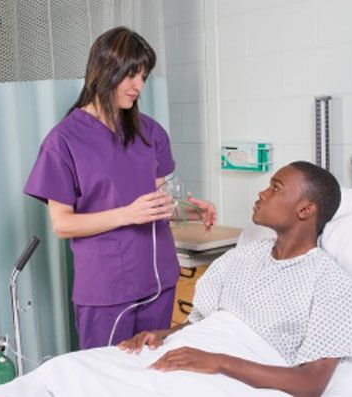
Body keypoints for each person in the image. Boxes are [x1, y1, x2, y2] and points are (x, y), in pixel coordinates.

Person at [24, 26, 216, 349]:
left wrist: (191, 210)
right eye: (132, 76)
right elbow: (62, 224)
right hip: (106, 290)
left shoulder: (150, 133)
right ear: (106, 70)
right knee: (104, 380)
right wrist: (128, 214)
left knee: (150, 374)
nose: (139, 86)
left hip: (158, 280)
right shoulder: (64, 141)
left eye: (144, 76)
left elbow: (157, 204)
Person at [118, 161, 352, 397]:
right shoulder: (240, 257)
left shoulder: (332, 284)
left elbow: (311, 383)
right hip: (186, 354)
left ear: (305, 209)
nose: (262, 193)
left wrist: (218, 361)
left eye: (275, 188)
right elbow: (200, 324)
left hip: (226, 375)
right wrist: (161, 334)